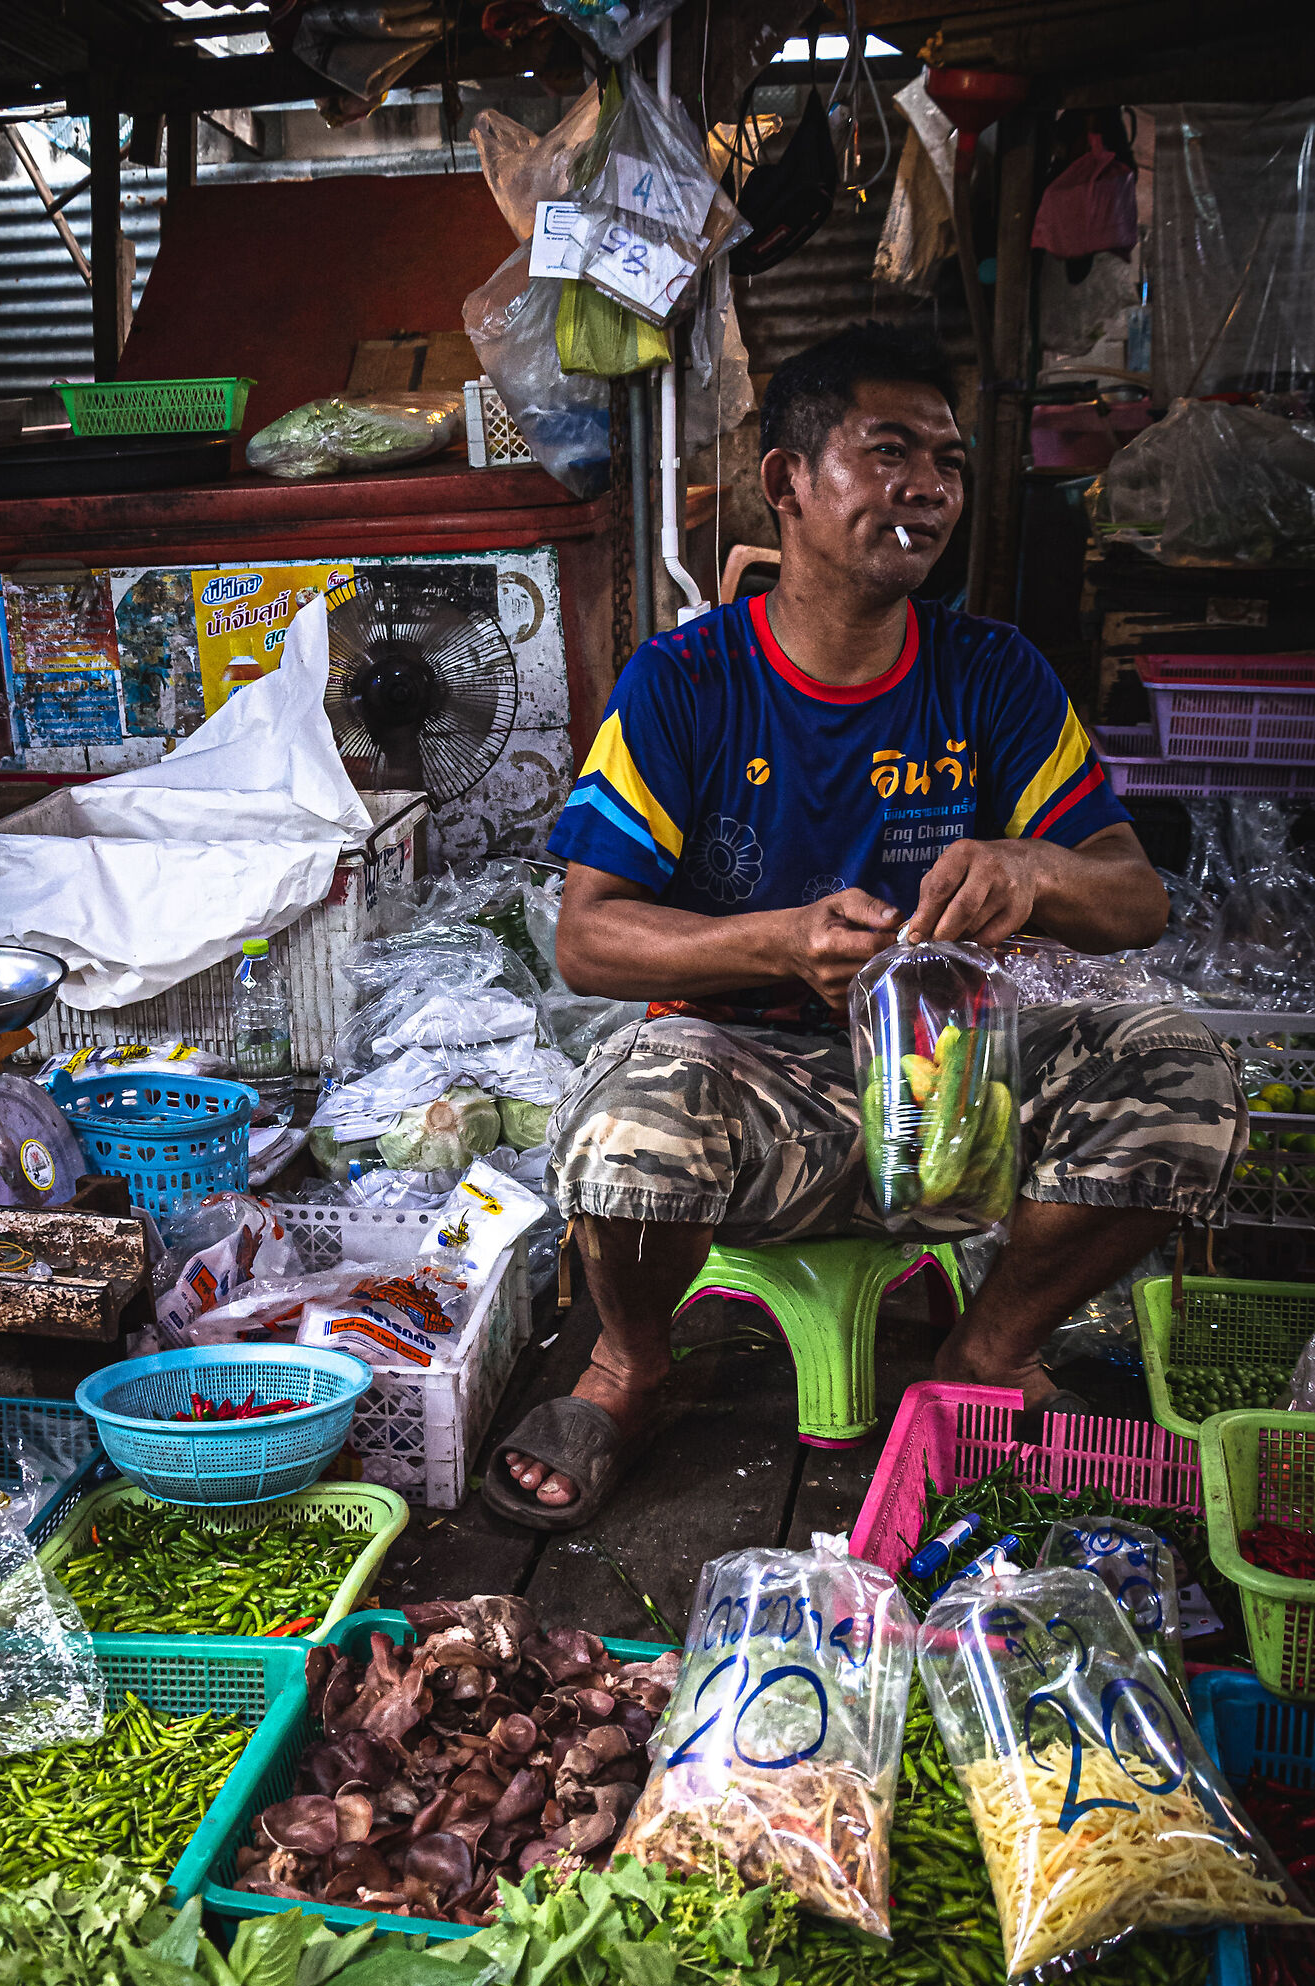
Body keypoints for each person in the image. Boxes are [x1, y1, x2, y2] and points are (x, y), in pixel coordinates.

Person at [487, 321, 1244, 1528]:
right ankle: (625, 1368)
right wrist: (778, 942)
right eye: (887, 452)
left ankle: (987, 1349)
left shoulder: (990, 674)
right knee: (626, 1122)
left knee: (1178, 1073)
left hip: (957, 1087)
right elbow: (589, 937)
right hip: (749, 1082)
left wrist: (1031, 870)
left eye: (946, 463)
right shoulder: (683, 682)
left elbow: (1134, 898)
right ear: (786, 482)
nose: (926, 488)